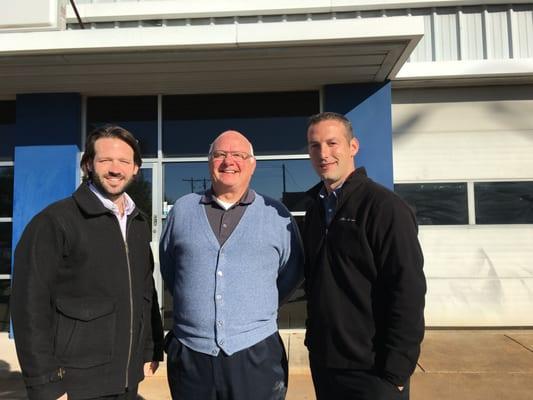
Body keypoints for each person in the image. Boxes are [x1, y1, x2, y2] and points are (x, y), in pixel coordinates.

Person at [11, 125, 164, 400]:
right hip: (75, 384)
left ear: (136, 169)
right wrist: (45, 383)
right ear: (88, 165)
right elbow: (28, 305)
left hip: (127, 379)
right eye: (105, 160)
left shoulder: (137, 222)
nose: (115, 169)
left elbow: (145, 290)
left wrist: (151, 347)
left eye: (124, 162)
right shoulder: (55, 221)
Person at [160, 130, 303, 400]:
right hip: (191, 354)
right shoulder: (182, 210)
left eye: (238, 155)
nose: (229, 162)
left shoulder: (276, 215)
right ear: (209, 162)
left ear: (252, 164)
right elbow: (171, 269)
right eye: (220, 155)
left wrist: (254, 306)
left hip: (256, 353)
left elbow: (290, 273)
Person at [302, 112, 426, 400]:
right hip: (325, 363)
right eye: (314, 145)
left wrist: (397, 369)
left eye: (332, 143)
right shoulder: (314, 210)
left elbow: (407, 290)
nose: (323, 153)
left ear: (352, 147)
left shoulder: (385, 208)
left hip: (373, 370)